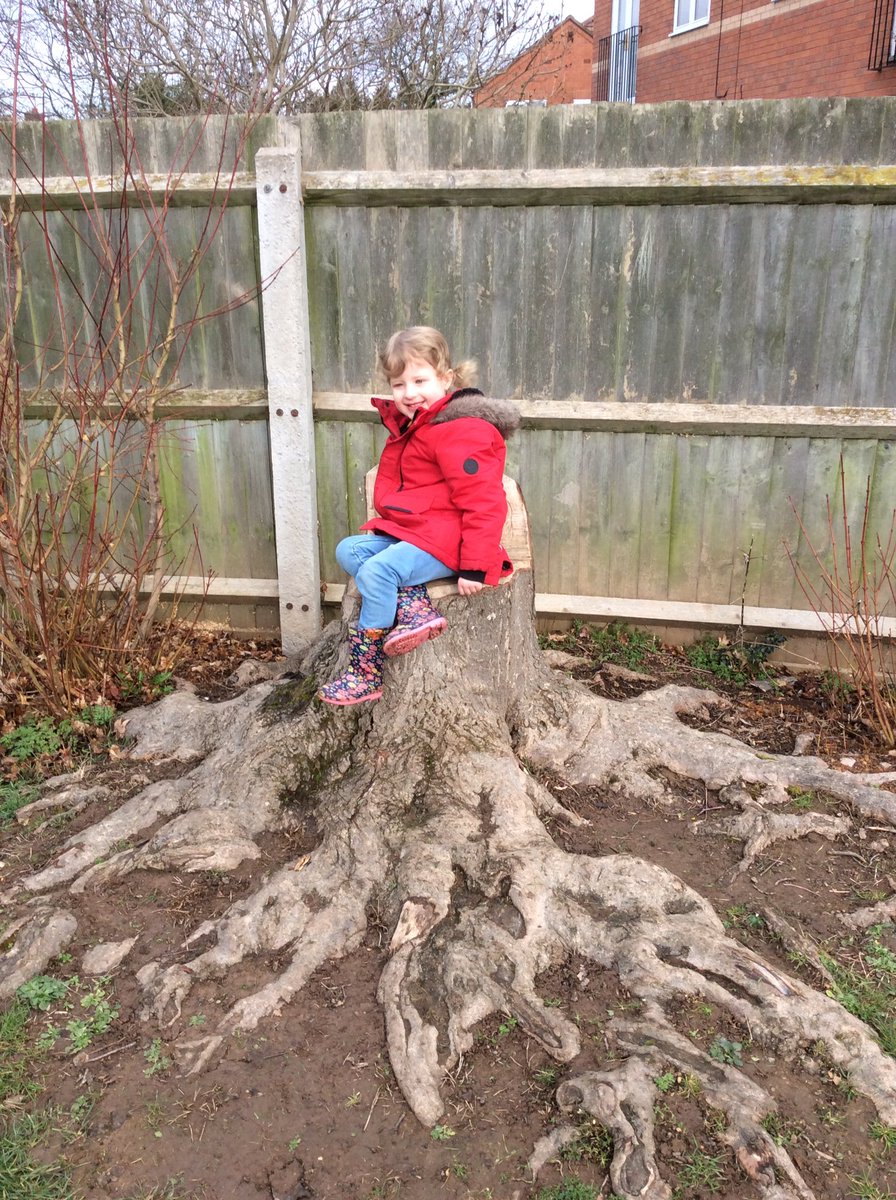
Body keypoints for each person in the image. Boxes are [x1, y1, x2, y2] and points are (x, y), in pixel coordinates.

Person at [318, 326, 520, 706]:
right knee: (350, 550)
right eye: (398, 384)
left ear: (446, 379)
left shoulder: (460, 429)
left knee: (377, 572)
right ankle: (413, 606)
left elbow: (484, 501)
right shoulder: (420, 424)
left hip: (451, 543)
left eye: (420, 380)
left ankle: (364, 671)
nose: (409, 393)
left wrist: (475, 566)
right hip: (418, 534)